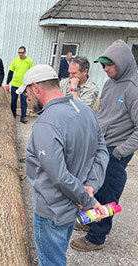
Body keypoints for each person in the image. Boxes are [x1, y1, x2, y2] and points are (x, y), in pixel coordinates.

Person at [18, 64, 108, 266]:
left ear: (36, 87)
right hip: (71, 208)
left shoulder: (46, 124)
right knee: (58, 256)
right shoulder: (84, 110)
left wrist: (89, 201)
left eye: (27, 92)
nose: (27, 98)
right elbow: (101, 150)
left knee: (51, 262)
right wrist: (90, 187)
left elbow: (58, 176)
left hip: (52, 211)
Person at [70, 39, 138, 251]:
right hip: (101, 146)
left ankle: (96, 238)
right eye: (102, 65)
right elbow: (104, 114)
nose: (105, 69)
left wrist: (119, 152)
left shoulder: (134, 89)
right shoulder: (111, 83)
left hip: (116, 150)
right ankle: (91, 219)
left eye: (109, 65)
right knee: (94, 185)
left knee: (109, 191)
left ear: (123, 62)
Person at [6, 46, 34, 123]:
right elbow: (10, 72)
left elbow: (31, 73)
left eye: (22, 53)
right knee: (13, 101)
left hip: (24, 85)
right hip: (15, 84)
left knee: (23, 102)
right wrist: (7, 83)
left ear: (25, 52)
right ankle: (13, 115)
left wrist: (30, 84)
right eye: (19, 53)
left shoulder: (29, 61)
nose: (20, 54)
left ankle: (23, 117)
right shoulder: (15, 61)